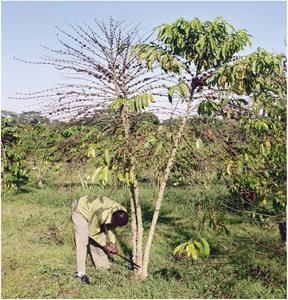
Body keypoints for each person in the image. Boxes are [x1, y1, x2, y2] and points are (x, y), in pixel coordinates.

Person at [71, 195, 128, 284]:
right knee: (83, 240)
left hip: (94, 208)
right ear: (112, 218)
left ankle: (103, 268)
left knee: (100, 237)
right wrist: (105, 246)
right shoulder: (101, 215)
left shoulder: (122, 211)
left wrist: (113, 243)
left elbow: (111, 226)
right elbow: (92, 233)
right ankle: (81, 273)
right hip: (80, 210)